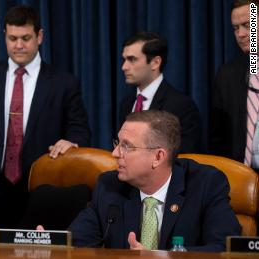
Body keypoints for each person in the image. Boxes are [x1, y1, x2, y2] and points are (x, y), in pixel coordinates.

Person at [0, 5, 91, 229]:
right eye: (12, 38)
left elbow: (80, 130)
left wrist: (71, 142)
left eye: (26, 38)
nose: (18, 45)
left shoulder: (64, 83)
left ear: (39, 36)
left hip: (40, 189)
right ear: (4, 36)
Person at [69, 110, 241, 251]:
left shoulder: (206, 184)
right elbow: (78, 241)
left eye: (126, 146)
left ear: (158, 156)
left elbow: (224, 249)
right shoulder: (109, 186)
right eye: (117, 143)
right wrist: (54, 242)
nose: (114, 153)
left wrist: (160, 257)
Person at [119, 31, 201, 154]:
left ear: (155, 62)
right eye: (124, 59)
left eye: (132, 59)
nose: (124, 67)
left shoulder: (182, 106)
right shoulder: (126, 103)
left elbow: (184, 157)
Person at [210, 0, 259, 168]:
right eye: (236, 28)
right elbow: (218, 137)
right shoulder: (227, 75)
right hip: (240, 179)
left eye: (247, 25)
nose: (241, 34)